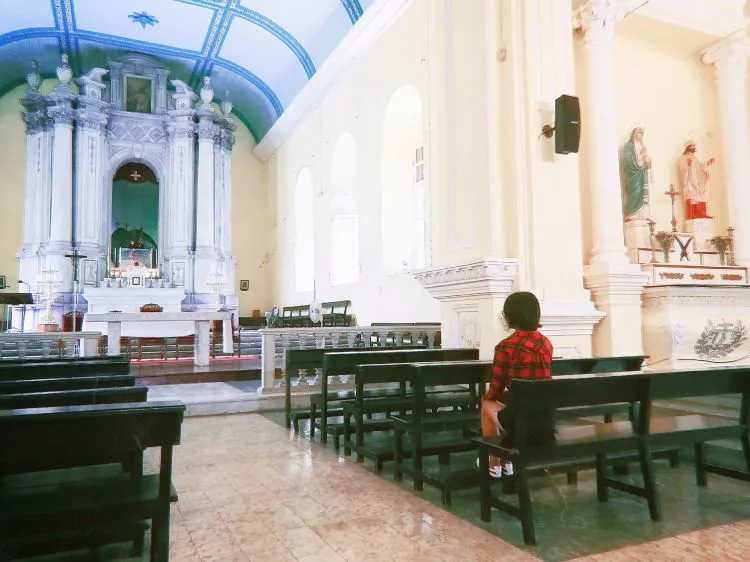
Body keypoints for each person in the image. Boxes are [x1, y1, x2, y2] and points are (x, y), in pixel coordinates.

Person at [479, 291, 554, 478]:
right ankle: (507, 462)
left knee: (487, 404)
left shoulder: (506, 346)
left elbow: (495, 389)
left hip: (521, 419)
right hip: (545, 417)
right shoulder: (546, 343)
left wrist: (488, 399)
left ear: (510, 317)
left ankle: (495, 460)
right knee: (509, 402)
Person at [678, 140, 715, 220]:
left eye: (694, 147)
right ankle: (692, 215)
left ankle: (701, 214)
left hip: (695, 181)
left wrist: (708, 162)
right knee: (691, 196)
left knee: (700, 196)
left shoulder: (694, 158)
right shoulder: (682, 158)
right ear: (688, 148)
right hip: (688, 181)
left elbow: (701, 166)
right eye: (692, 146)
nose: (694, 148)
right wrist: (688, 166)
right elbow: (682, 169)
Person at [620, 127, 651, 219]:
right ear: (634, 134)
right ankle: (632, 212)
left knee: (642, 192)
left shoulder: (642, 146)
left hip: (642, 173)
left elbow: (646, 159)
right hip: (633, 174)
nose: (640, 135)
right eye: (639, 133)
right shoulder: (628, 146)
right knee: (635, 191)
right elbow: (627, 160)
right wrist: (639, 163)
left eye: (642, 133)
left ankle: (641, 212)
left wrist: (648, 163)